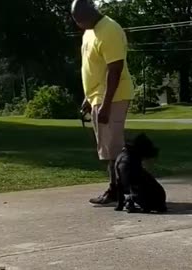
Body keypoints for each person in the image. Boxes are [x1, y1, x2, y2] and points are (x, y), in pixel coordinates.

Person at [71, 0, 134, 205]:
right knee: (107, 148)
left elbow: (114, 70)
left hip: (113, 97)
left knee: (114, 148)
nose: (78, 24)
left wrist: (105, 104)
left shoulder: (110, 30)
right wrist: (89, 98)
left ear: (89, 13)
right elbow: (94, 69)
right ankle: (118, 188)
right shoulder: (90, 31)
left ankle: (118, 190)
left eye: (79, 20)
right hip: (98, 96)